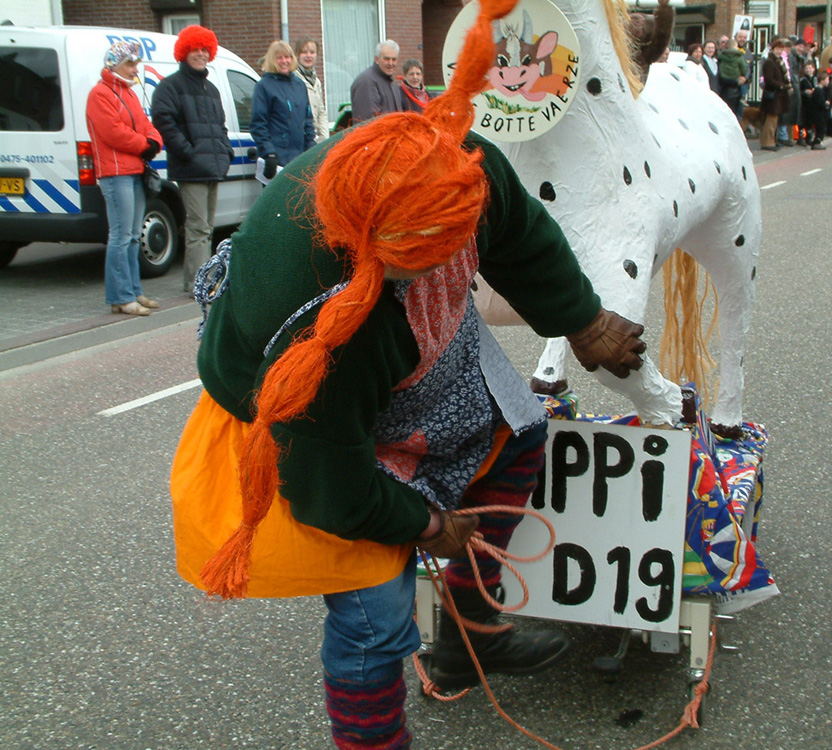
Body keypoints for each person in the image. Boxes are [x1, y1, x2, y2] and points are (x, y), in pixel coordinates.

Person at [169, 0, 648, 746]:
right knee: (374, 613)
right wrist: (430, 525)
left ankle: (471, 633)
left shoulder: (454, 162)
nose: (457, 267)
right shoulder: (319, 329)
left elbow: (519, 233)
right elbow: (334, 488)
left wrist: (583, 321)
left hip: (407, 340)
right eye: (432, 261)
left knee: (520, 435)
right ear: (386, 254)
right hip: (309, 406)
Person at [151, 25, 234, 297]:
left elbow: (220, 126)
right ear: (184, 52)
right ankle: (203, 284)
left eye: (204, 49)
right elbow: (164, 122)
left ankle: (194, 282)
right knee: (199, 228)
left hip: (212, 167)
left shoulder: (211, 89)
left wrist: (225, 151)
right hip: (191, 169)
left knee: (206, 228)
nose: (200, 54)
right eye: (195, 49)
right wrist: (188, 152)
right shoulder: (170, 87)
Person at [85, 40, 162, 317]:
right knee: (121, 235)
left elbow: (145, 124)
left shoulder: (127, 93)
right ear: (114, 65)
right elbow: (113, 132)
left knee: (132, 236)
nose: (135, 69)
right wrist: (145, 144)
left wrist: (154, 140)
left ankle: (132, 290)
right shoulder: (100, 94)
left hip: (133, 171)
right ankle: (121, 295)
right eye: (130, 64)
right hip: (115, 172)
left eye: (135, 63)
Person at [251, 40, 314, 180]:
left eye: (287, 57)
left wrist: (311, 146)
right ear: (272, 60)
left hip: (299, 158)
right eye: (279, 58)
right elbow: (258, 124)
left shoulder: (300, 85)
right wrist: (269, 153)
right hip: (277, 159)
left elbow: (307, 120)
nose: (284, 61)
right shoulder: (263, 86)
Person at [350, 40, 404, 121]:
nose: (390, 63)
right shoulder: (366, 83)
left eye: (394, 59)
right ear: (376, 59)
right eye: (386, 59)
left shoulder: (392, 84)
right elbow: (367, 121)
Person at [295, 38, 330, 143]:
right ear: (297, 55)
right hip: (302, 138)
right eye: (304, 52)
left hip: (317, 139)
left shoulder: (317, 81)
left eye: (312, 52)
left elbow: (321, 111)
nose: (308, 56)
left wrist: (324, 137)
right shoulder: (294, 80)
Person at [759, 38, 791, 151]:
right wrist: (781, 85)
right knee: (771, 120)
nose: (779, 51)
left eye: (781, 49)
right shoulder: (769, 62)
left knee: (775, 120)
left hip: (778, 96)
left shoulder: (778, 61)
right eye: (777, 49)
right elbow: (768, 79)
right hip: (772, 95)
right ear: (772, 49)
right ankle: (767, 142)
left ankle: (772, 141)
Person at [800, 62, 827, 150]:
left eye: (810, 68)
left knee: (815, 122)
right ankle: (806, 137)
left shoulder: (816, 79)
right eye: (806, 68)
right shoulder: (803, 80)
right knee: (807, 122)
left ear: (813, 69)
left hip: (814, 102)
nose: (808, 70)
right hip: (806, 103)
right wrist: (805, 92)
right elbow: (799, 92)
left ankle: (812, 138)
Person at [717, 37, 747, 117]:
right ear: (735, 46)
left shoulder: (721, 56)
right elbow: (743, 69)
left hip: (723, 86)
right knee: (735, 113)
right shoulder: (739, 57)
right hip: (736, 85)